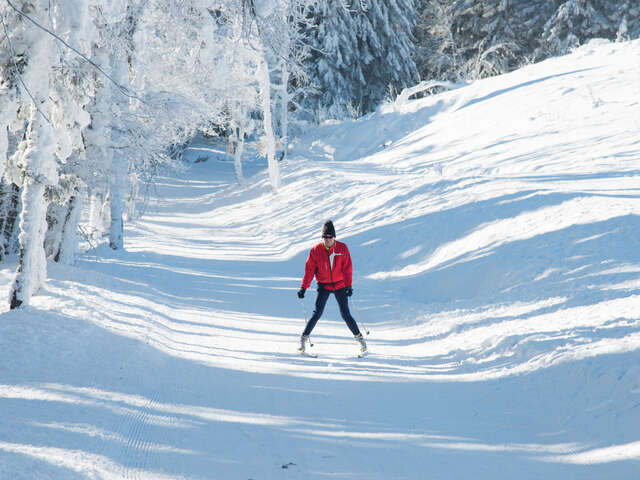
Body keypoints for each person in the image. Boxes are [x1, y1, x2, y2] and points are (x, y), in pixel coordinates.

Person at [297, 220, 367, 355]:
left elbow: (347, 269)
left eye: (330, 237)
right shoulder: (316, 250)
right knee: (317, 313)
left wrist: (348, 286)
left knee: (345, 314)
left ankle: (361, 341)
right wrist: (303, 287)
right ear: (322, 238)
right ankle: (303, 340)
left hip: (340, 285)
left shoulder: (342, 248)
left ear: (334, 237)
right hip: (324, 285)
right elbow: (309, 271)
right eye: (325, 237)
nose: (327, 240)